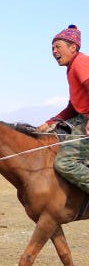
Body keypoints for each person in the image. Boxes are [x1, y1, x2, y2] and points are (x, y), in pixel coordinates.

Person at [36, 25, 89, 194]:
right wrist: (49, 123)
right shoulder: (71, 68)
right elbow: (74, 107)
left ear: (73, 47)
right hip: (82, 117)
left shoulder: (80, 62)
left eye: (58, 46)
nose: (53, 51)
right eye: (52, 47)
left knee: (64, 163)